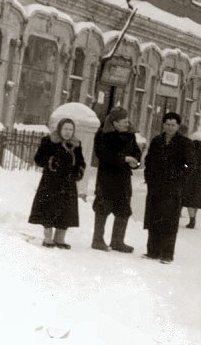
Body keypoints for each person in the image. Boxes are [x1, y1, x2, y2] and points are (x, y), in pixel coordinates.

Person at [143, 112, 194, 264]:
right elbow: (149, 160)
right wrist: (149, 176)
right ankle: (152, 251)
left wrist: (178, 175)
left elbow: (189, 164)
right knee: (154, 218)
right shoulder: (157, 141)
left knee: (169, 221)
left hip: (172, 188)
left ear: (178, 126)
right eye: (167, 124)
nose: (170, 127)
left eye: (173, 125)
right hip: (156, 187)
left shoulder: (184, 143)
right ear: (163, 125)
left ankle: (166, 254)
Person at [28, 118, 86, 249]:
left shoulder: (76, 144)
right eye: (65, 129)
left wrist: (78, 171)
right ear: (60, 129)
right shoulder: (49, 141)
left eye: (70, 129)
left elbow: (81, 162)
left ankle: (60, 239)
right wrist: (50, 161)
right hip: (51, 182)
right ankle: (48, 238)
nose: (67, 132)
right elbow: (38, 159)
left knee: (65, 211)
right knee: (49, 208)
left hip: (68, 183)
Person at [91, 107, 142, 253]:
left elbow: (137, 153)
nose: (127, 123)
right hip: (107, 179)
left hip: (123, 178)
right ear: (115, 123)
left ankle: (117, 241)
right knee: (102, 209)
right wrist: (124, 158)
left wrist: (136, 162)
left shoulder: (129, 135)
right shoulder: (103, 135)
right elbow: (102, 155)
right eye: (124, 121)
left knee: (123, 211)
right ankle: (97, 240)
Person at [183, 130, 201, 229]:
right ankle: (193, 216)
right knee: (196, 200)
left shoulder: (189, 151)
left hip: (190, 178)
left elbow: (185, 164)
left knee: (190, 200)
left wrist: (185, 170)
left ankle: (192, 219)